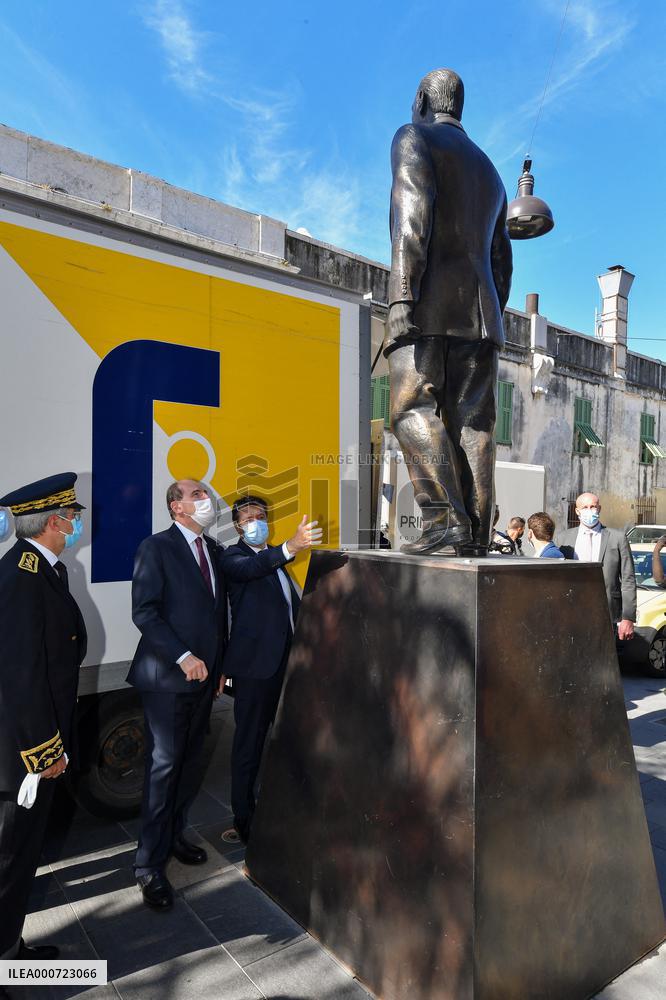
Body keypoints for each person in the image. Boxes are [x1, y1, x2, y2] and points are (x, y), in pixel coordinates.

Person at [385, 68, 513, 556]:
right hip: (482, 317)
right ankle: (476, 535)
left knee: (410, 408)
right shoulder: (491, 172)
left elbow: (410, 216)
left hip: (427, 306)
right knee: (474, 424)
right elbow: (502, 259)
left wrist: (402, 294)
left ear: (421, 98)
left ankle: (443, 523)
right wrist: (491, 312)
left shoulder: (413, 136)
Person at [127, 479, 227, 910]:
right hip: (167, 677)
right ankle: (148, 865)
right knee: (163, 767)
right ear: (176, 506)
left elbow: (216, 613)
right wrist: (183, 655)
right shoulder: (156, 547)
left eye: (207, 493)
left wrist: (218, 669)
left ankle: (175, 835)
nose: (208, 499)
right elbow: (144, 612)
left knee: (189, 761)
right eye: (198, 494)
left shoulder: (214, 550)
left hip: (205, 680)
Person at [0, 473, 87, 964]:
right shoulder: (21, 577)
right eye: (73, 516)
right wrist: (46, 751)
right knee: (10, 860)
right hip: (23, 753)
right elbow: (20, 676)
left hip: (34, 741)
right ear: (55, 520)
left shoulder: (46, 569)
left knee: (22, 858)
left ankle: (10, 946)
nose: (77, 523)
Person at [219, 496, 322, 844]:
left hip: (287, 669)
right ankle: (245, 818)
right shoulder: (233, 557)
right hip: (255, 671)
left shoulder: (278, 564)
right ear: (236, 526)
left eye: (260, 516)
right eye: (246, 517)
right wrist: (289, 547)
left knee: (289, 740)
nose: (254, 521)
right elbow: (252, 569)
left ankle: (287, 805)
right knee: (249, 744)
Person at [558, 492, 636, 640]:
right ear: (577, 511)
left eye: (593, 506)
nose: (589, 510)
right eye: (585, 507)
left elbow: (628, 579)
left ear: (599, 508)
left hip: (606, 612)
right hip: (571, 612)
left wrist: (628, 617)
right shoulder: (563, 539)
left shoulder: (617, 538)